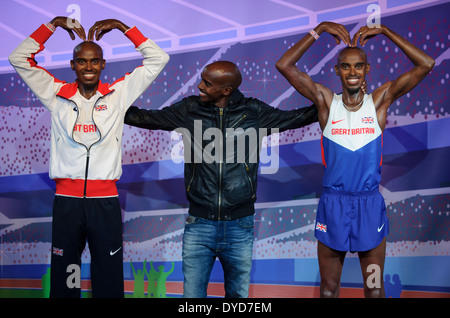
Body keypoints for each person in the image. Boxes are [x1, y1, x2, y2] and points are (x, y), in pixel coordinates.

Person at [124, 60, 318, 297]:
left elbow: (299, 117)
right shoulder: (189, 109)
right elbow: (143, 118)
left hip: (240, 225)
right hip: (199, 224)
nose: (199, 86)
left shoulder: (253, 112)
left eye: (207, 83)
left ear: (227, 90)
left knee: (236, 299)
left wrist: (337, 101)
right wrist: (105, 105)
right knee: (193, 299)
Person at [9, 16, 169, 297]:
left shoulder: (118, 94)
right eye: (81, 61)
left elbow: (158, 58)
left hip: (104, 203)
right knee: (66, 275)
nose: (88, 67)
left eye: (94, 61)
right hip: (67, 203)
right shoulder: (54, 93)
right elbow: (18, 57)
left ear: (103, 64)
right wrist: (51, 26)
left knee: (107, 279)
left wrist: (124, 29)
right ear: (72, 65)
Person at [276, 22, 434, 297]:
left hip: (369, 206)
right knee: (328, 289)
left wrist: (387, 32)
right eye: (346, 66)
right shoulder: (326, 102)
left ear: (366, 70)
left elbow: (426, 64)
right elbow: (285, 65)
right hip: (333, 205)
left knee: (374, 290)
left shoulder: (379, 101)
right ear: (337, 70)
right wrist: (320, 29)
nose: (352, 71)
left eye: (358, 66)